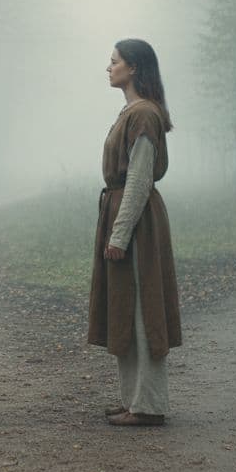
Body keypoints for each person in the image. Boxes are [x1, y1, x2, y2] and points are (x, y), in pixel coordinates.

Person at [88, 39, 181, 427]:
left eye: (114, 62)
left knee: (142, 310)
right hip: (123, 213)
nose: (109, 68)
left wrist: (120, 235)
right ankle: (134, 400)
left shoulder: (143, 114)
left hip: (137, 220)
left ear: (134, 69)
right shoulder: (132, 111)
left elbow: (140, 180)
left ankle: (149, 405)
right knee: (125, 306)